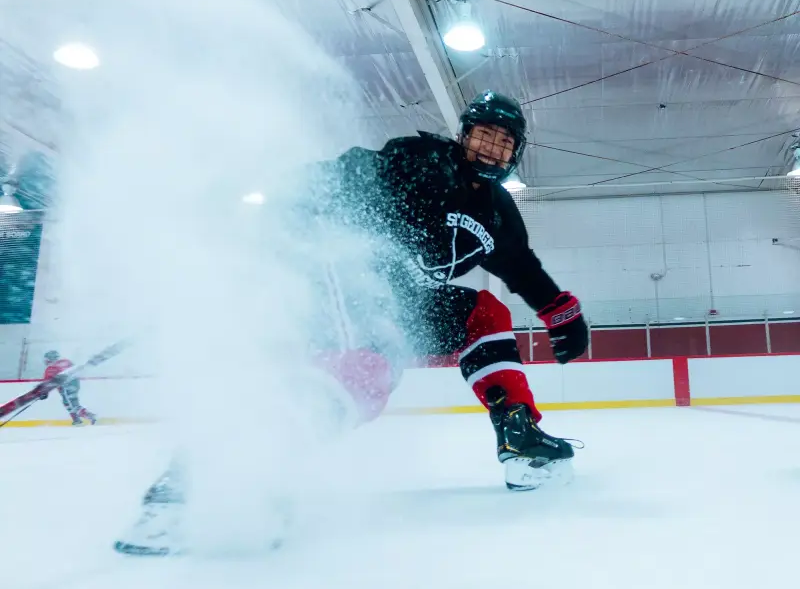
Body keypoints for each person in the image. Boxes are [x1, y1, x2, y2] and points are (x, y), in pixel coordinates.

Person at [114, 90, 589, 556]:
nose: (492, 147)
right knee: (363, 369)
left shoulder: (498, 212)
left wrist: (562, 315)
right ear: (464, 135)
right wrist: (273, 205)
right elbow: (344, 172)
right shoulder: (421, 158)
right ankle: (204, 482)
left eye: (504, 142)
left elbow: (521, 268)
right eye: (485, 135)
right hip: (346, 275)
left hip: (405, 298)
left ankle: (519, 434)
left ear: (515, 153)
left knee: (482, 312)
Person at [42, 350, 98, 426]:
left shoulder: (50, 369)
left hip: (65, 388)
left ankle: (90, 416)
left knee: (72, 405)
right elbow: (76, 370)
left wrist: (44, 393)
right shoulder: (66, 361)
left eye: (47, 359)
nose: (46, 362)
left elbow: (46, 383)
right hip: (75, 384)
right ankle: (77, 420)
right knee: (67, 403)